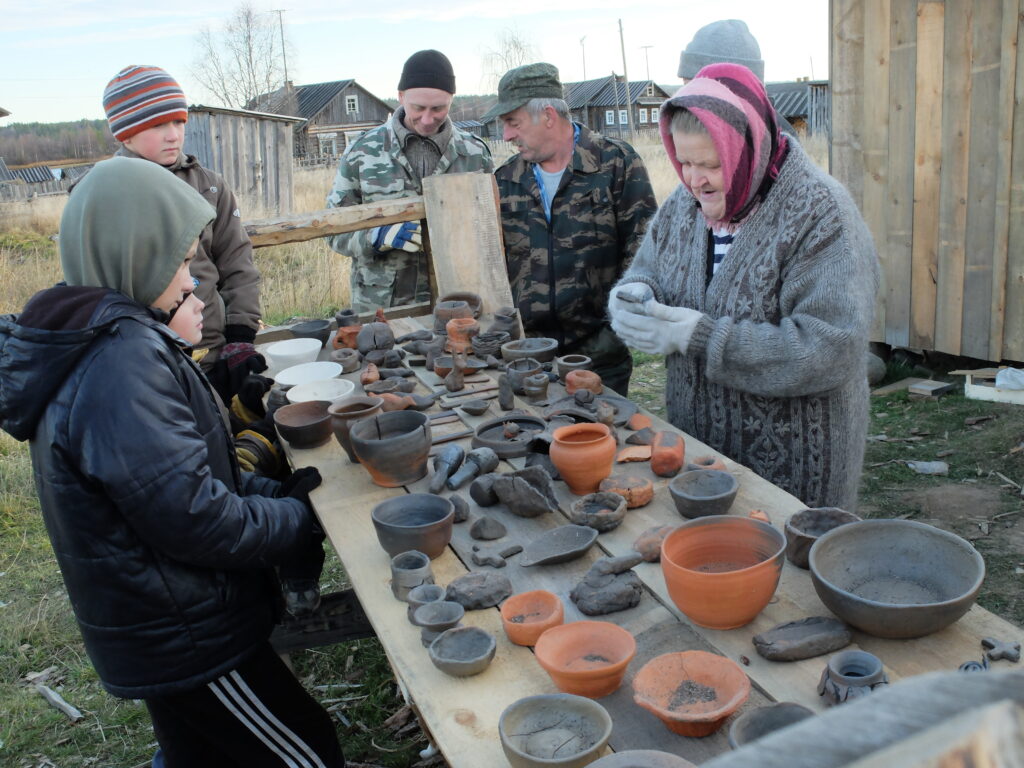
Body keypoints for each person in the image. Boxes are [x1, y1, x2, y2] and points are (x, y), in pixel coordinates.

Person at [0, 157, 344, 767]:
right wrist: (299, 520)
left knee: (198, 756)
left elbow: (186, 476)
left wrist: (268, 492)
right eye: (181, 262)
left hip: (157, 619)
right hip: (187, 631)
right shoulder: (121, 364)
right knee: (306, 754)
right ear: (136, 254)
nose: (192, 281)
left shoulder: (110, 338)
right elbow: (196, 520)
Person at [610, 64, 879, 510]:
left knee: (785, 573)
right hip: (701, 451)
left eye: (711, 165)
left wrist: (697, 335)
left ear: (747, 151)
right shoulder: (685, 203)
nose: (694, 180)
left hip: (794, 466)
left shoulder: (821, 214)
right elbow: (647, 271)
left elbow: (831, 349)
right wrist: (633, 297)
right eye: (685, 162)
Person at [484, 63, 657, 396]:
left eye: (512, 122)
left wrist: (614, 331)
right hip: (528, 358)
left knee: (597, 441)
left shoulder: (615, 163)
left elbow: (646, 254)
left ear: (548, 115)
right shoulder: (504, 180)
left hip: (598, 357)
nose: (506, 135)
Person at [103, 65, 264, 386]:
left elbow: (237, 261)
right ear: (125, 132)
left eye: (179, 121)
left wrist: (240, 336)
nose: (173, 135)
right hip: (145, 361)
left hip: (214, 348)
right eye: (158, 125)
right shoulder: (105, 193)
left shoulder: (209, 186)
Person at [326, 50, 494, 313]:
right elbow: (333, 230)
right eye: (418, 108)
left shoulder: (474, 153)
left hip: (457, 304)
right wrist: (374, 237)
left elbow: (489, 228)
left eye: (438, 108)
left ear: (452, 99)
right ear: (401, 96)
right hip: (382, 310)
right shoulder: (363, 151)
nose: (427, 119)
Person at [677, 19, 799, 137]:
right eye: (685, 84)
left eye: (695, 86)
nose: (685, 97)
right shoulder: (701, 130)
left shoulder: (780, 143)